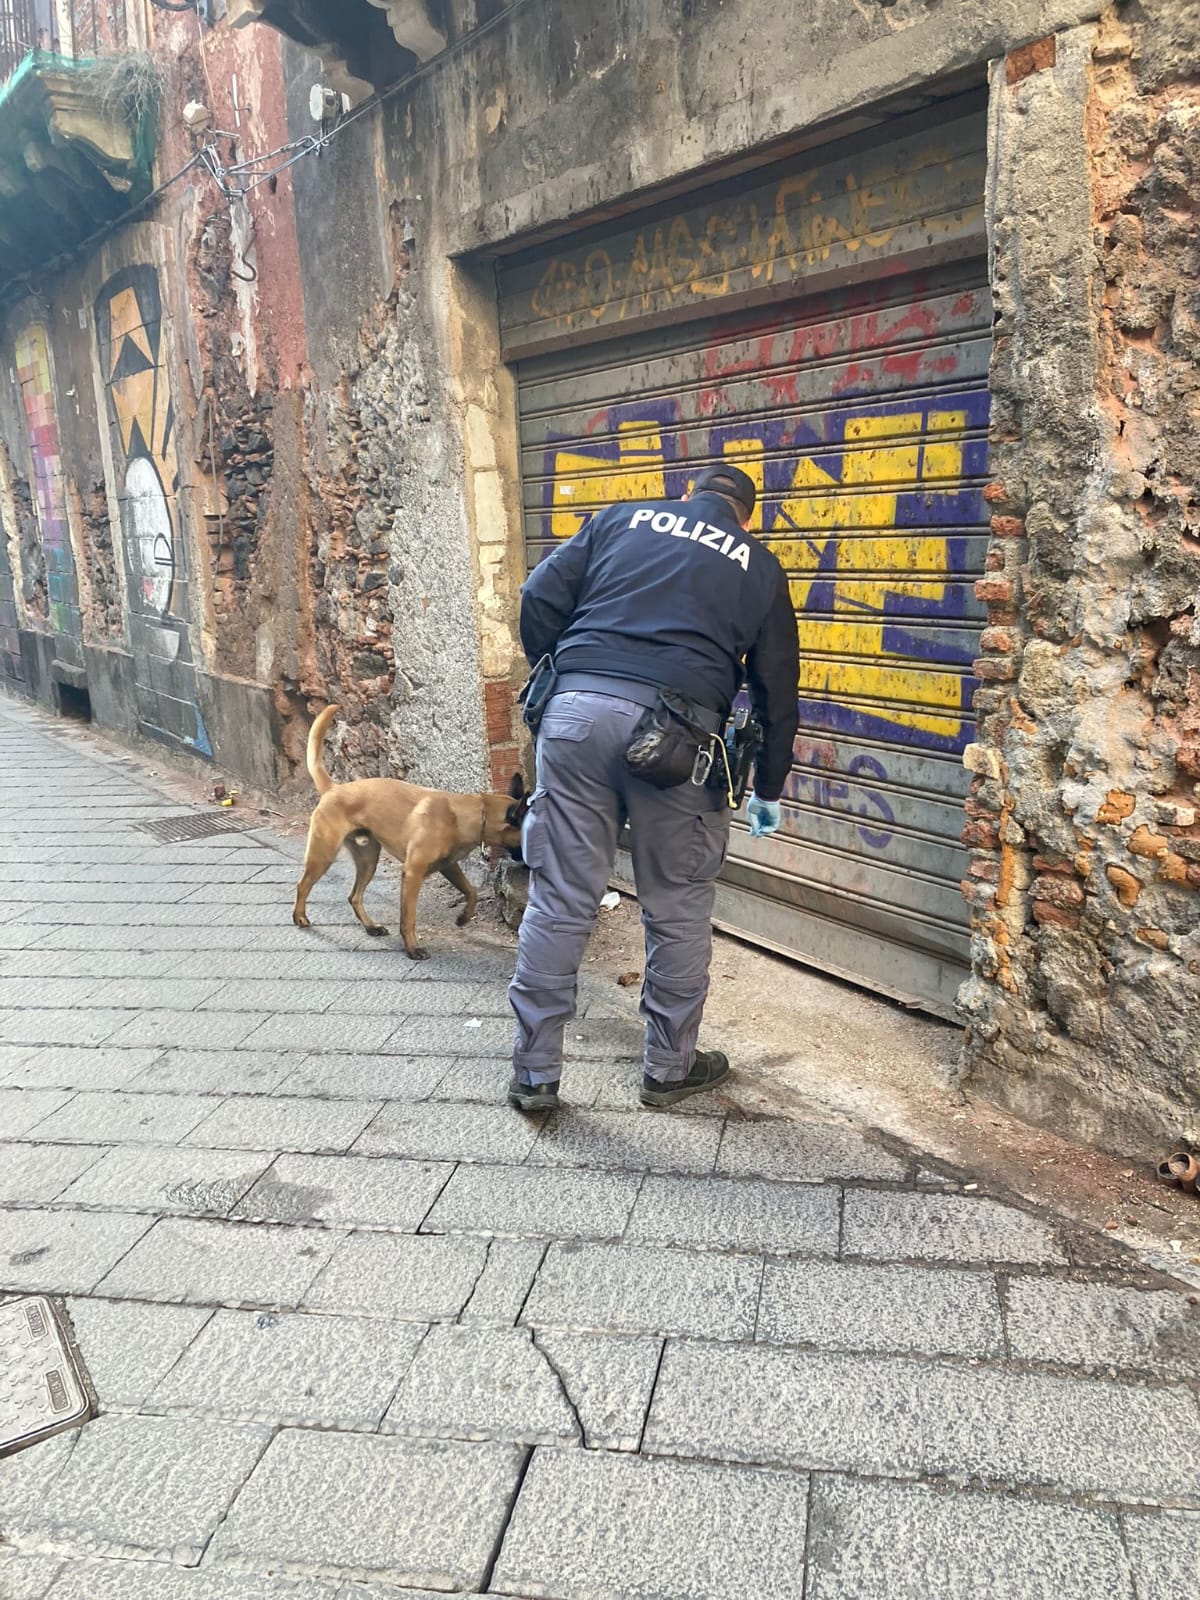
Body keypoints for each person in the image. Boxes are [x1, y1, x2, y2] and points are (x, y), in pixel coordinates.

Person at [507, 463, 799, 1112]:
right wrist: (768, 786)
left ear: (689, 494)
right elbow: (778, 687)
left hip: (575, 716)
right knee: (678, 902)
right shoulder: (758, 563)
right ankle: (669, 1069)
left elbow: (538, 597)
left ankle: (535, 1075)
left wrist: (564, 676)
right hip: (677, 738)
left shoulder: (621, 518)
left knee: (559, 895)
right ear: (747, 517)